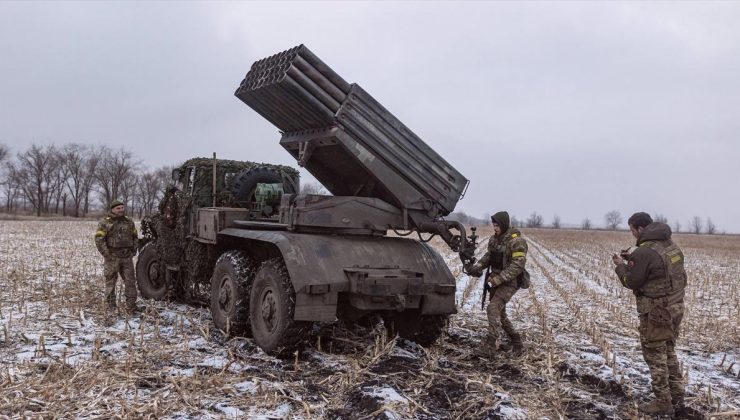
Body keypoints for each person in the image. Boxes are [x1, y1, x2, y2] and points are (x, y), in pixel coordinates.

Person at [612, 212, 686, 416]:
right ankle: (677, 394)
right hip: (675, 308)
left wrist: (621, 266)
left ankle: (663, 402)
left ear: (640, 229)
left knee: (655, 355)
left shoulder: (643, 252)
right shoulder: (672, 246)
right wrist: (634, 261)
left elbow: (631, 282)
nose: (633, 234)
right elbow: (662, 271)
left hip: (655, 313)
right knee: (669, 350)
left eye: (633, 230)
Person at [464, 211, 529, 355]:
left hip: (510, 282)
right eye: (493, 225)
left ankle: (490, 345)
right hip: (495, 280)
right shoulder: (494, 240)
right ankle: (517, 343)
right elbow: (489, 257)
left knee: (493, 308)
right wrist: (478, 267)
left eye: (497, 225)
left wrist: (498, 279)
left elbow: (518, 266)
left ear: (504, 225)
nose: (495, 228)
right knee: (500, 314)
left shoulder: (517, 242)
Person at [94, 199, 140, 314]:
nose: (121, 210)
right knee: (110, 282)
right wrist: (107, 254)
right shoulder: (105, 222)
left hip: (126, 257)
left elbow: (135, 236)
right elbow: (99, 239)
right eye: (118, 208)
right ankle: (111, 307)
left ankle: (131, 306)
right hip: (112, 257)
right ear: (113, 209)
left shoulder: (129, 222)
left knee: (130, 282)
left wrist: (133, 250)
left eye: (122, 207)